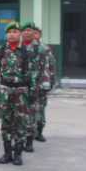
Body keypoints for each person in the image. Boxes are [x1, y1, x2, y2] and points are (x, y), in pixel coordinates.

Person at [0, 22, 35, 166]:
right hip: (5, 91)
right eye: (9, 32)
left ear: (19, 34)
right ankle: (7, 153)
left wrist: (32, 91)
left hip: (21, 92)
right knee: (6, 123)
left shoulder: (26, 52)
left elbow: (32, 74)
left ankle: (18, 154)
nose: (12, 34)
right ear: (6, 35)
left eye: (15, 31)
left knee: (20, 123)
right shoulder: (0, 50)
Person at [21, 22, 52, 153]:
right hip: (20, 86)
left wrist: (47, 83)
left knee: (33, 114)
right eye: (25, 30)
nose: (28, 33)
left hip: (36, 86)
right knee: (19, 114)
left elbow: (47, 67)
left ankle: (30, 140)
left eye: (30, 31)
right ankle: (20, 139)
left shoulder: (42, 49)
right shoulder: (17, 47)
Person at [34, 26, 56, 142]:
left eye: (36, 33)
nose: (34, 35)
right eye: (32, 33)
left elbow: (52, 65)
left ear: (40, 35)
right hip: (29, 84)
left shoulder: (45, 49)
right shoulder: (23, 48)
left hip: (42, 84)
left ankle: (39, 131)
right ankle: (28, 133)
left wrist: (52, 80)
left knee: (41, 108)